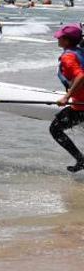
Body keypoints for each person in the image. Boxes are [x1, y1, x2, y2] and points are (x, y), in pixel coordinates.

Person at [49, 25, 84, 172]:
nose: (57, 38)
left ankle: (81, 160)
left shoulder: (68, 56)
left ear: (67, 40)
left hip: (81, 106)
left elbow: (81, 76)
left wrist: (66, 97)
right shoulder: (80, 50)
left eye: (60, 36)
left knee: (55, 129)